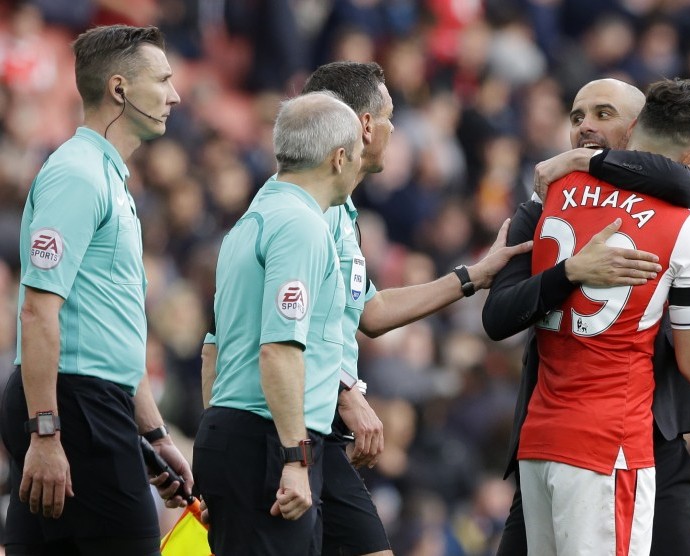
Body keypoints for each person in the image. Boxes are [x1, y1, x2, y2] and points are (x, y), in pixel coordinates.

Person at [200, 62, 665, 556]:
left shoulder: (309, 213)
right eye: (389, 116)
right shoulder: (300, 223)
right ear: (361, 129)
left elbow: (367, 312)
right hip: (275, 434)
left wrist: (472, 277)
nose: (397, 130)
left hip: (293, 434)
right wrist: (325, 409)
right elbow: (276, 345)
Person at [483, 78, 690, 555]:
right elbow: (497, 317)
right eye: (576, 117)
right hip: (597, 435)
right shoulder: (549, 201)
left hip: (647, 434)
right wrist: (569, 272)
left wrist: (582, 162)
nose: (586, 127)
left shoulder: (558, 193)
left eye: (603, 114)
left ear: (636, 130)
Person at [0, 25, 192, 556]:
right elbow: (38, 311)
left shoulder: (107, 177)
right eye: (163, 79)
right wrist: (46, 431)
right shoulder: (78, 175)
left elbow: (115, 332)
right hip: (70, 404)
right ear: (119, 89)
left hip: (85, 401)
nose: (175, 94)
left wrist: (154, 434)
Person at [192, 91, 364, 556]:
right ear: (339, 157)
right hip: (268, 442)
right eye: (359, 154)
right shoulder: (301, 226)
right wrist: (294, 458)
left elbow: (213, 352)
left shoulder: (250, 221)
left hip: (231, 433)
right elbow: (279, 350)